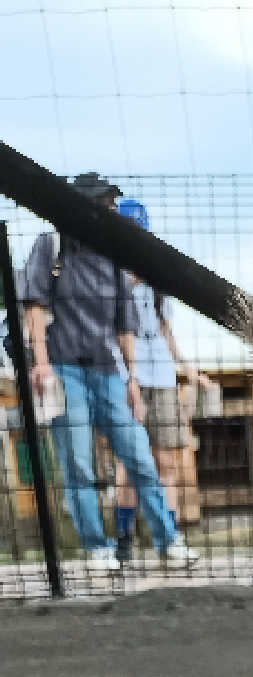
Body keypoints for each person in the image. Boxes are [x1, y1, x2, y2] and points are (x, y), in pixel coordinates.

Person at [21, 171, 198, 575]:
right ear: (83, 206)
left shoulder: (116, 258)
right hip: (64, 368)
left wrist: (132, 378)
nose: (110, 209)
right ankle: (97, 548)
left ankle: (168, 541)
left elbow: (125, 325)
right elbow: (34, 304)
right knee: (78, 464)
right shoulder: (52, 245)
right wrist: (42, 362)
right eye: (103, 203)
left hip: (109, 371)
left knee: (140, 457)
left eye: (111, 204)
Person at [113, 197, 213, 565]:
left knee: (167, 461)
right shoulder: (109, 279)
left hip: (163, 379)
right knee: (129, 463)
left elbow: (165, 330)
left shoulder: (158, 283)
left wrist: (187, 369)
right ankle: (122, 539)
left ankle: (169, 540)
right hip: (128, 378)